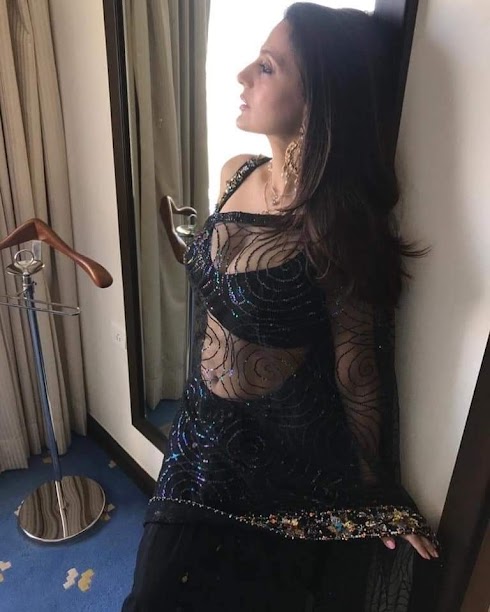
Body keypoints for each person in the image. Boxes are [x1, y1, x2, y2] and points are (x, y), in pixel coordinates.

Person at [122, 3, 440, 610]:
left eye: (267, 67)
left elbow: (356, 370)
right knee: (152, 596)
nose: (243, 75)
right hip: (198, 439)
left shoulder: (334, 226)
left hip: (277, 462)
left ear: (317, 99)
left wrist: (375, 491)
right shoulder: (235, 172)